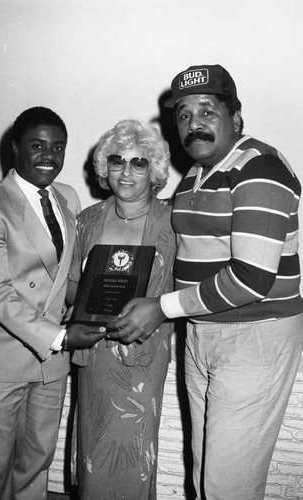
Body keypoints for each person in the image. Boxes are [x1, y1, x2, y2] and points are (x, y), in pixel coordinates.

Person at [108, 65, 303, 499]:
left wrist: (160, 308)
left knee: (227, 485)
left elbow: (251, 278)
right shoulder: (199, 172)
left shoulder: (258, 168)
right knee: (204, 475)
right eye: (183, 114)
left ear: (235, 117)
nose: (194, 123)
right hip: (203, 329)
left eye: (207, 111)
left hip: (254, 336)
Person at [0, 106, 106, 500]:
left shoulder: (68, 198)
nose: (49, 156)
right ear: (15, 148)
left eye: (58, 147)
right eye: (37, 145)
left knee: (36, 463)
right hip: (5, 358)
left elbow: (66, 278)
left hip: (52, 362)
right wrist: (60, 336)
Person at [66, 119, 176, 499]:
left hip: (143, 358)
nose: (126, 172)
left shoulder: (172, 223)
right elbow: (71, 287)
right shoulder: (88, 221)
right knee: (94, 451)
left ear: (154, 170)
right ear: (104, 168)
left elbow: (184, 292)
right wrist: (79, 304)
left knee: (133, 451)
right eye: (117, 161)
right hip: (95, 355)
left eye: (139, 162)